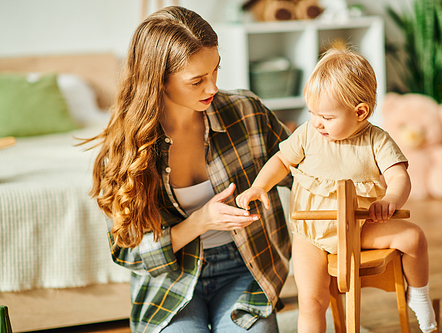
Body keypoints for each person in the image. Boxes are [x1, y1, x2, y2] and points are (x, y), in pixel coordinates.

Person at [83, 6, 292, 333]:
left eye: (215, 72)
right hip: (170, 283)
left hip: (245, 268)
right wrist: (200, 222)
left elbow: (305, 169)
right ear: (157, 80)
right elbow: (127, 251)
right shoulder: (127, 146)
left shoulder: (245, 111)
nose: (212, 88)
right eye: (196, 81)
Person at [236, 42, 438, 333]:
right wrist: (259, 187)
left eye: (327, 117)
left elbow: (399, 176)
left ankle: (418, 295)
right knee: (311, 301)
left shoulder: (375, 140)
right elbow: (281, 160)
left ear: (360, 112)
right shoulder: (307, 133)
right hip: (312, 235)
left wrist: (391, 198)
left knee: (414, 238)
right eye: (312, 113)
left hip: (360, 226)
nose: (317, 123)